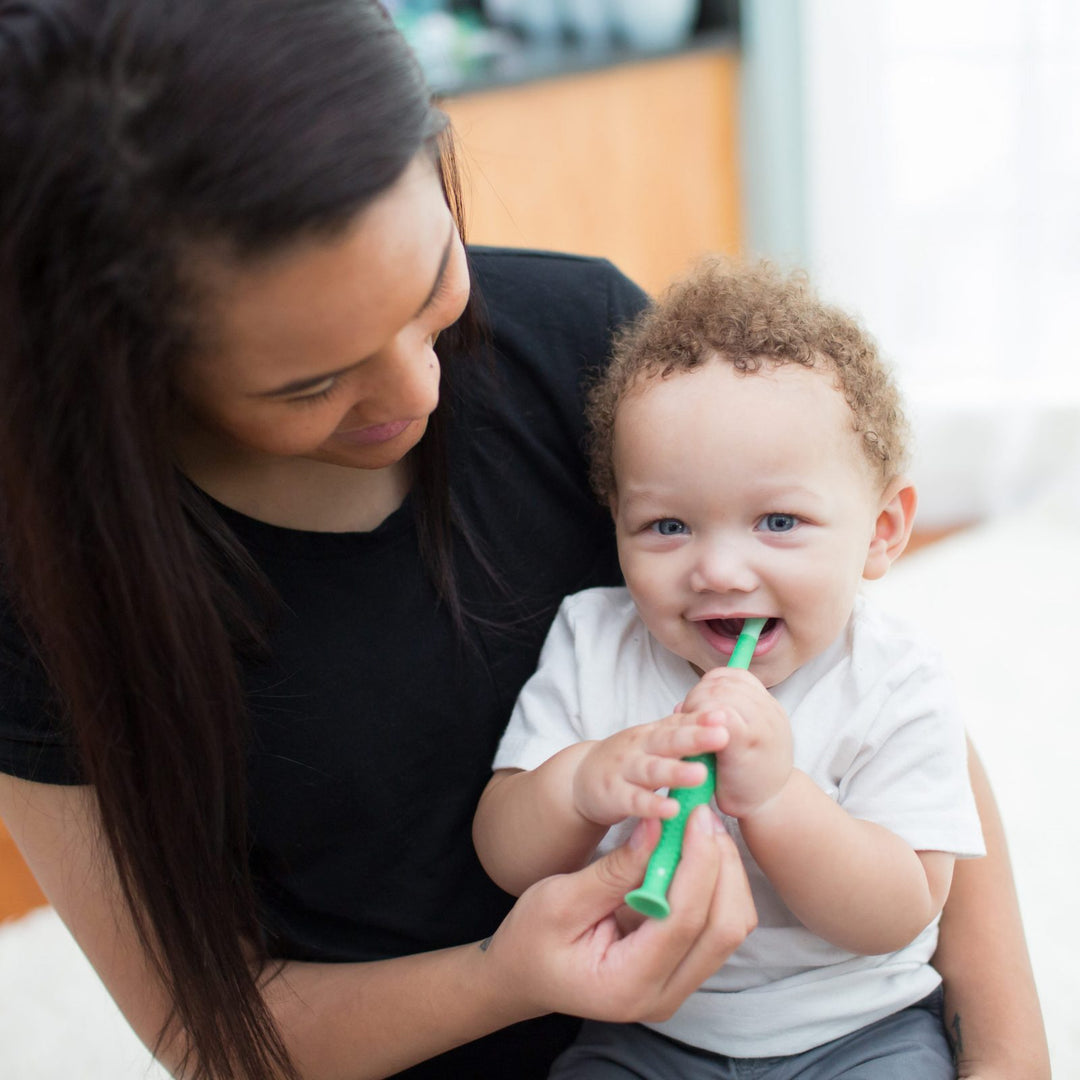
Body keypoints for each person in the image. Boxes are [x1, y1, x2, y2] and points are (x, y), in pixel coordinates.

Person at [0, 2, 1047, 1079]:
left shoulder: (584, 344)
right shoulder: (50, 584)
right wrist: (511, 973)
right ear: (116, 380)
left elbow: (882, 716)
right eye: (312, 383)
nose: (421, 386)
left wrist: (1009, 1052)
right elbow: (214, 1034)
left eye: (433, 286)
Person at [472, 260, 1016, 1078]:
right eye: (666, 526)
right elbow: (506, 855)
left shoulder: (896, 680)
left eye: (778, 520)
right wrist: (582, 783)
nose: (720, 570)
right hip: (645, 1032)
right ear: (614, 520)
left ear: (882, 532)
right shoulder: (595, 640)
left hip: (857, 1036)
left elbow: (899, 912)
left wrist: (775, 796)